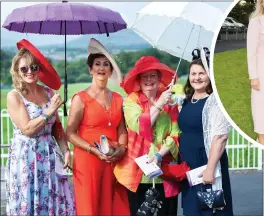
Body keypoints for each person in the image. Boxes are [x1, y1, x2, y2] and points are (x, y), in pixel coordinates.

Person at [5, 39, 75, 216]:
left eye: (34, 67)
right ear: (17, 71)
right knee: (28, 203)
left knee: (53, 200)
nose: (30, 71)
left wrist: (66, 149)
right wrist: (50, 110)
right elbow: (27, 129)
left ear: (39, 70)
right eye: (24, 68)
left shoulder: (49, 93)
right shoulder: (15, 96)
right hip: (26, 157)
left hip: (49, 156)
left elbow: (57, 127)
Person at [66, 38, 130, 215]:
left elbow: (122, 130)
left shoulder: (118, 98)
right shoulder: (80, 98)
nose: (101, 68)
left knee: (113, 206)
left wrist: (122, 148)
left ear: (110, 71)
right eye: (97, 64)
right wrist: (93, 150)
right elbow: (69, 133)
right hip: (88, 161)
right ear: (90, 69)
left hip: (112, 161)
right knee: (89, 207)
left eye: (106, 64)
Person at [114, 56, 180, 216]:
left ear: (159, 78)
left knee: (167, 212)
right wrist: (159, 105)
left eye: (153, 75)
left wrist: (159, 154)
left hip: (165, 168)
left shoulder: (169, 100)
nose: (149, 80)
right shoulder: (132, 100)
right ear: (138, 79)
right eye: (145, 76)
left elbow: (176, 133)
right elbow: (140, 126)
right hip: (137, 170)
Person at [178, 47, 233, 216]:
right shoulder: (187, 101)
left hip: (206, 163)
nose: (197, 78)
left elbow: (220, 137)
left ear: (210, 75)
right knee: (192, 209)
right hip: (189, 166)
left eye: (202, 73)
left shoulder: (215, 102)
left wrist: (210, 168)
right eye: (193, 74)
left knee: (210, 209)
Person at [247, 0, 264, 144]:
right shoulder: (256, 22)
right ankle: (261, 139)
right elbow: (251, 52)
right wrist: (254, 77)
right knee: (261, 110)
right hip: (261, 72)